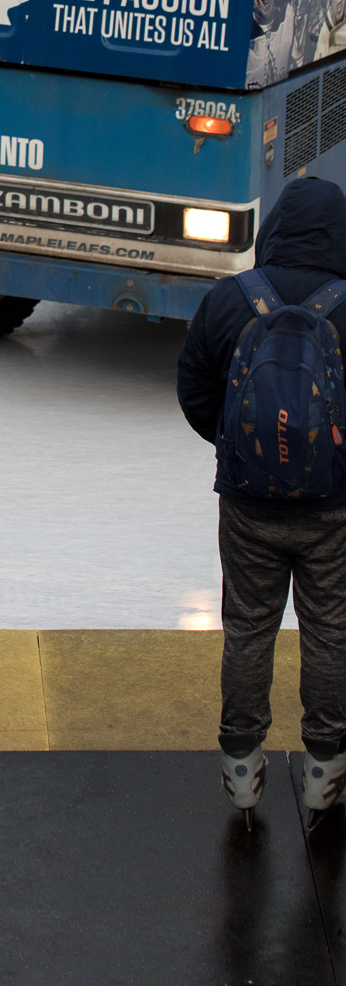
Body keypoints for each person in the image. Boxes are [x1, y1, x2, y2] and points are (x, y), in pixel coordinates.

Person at [177, 178, 346, 825]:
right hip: (334, 504)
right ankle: (326, 765)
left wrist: (235, 449)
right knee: (329, 629)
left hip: (248, 502)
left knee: (248, 627)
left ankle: (242, 766)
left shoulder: (231, 299)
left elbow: (194, 386)